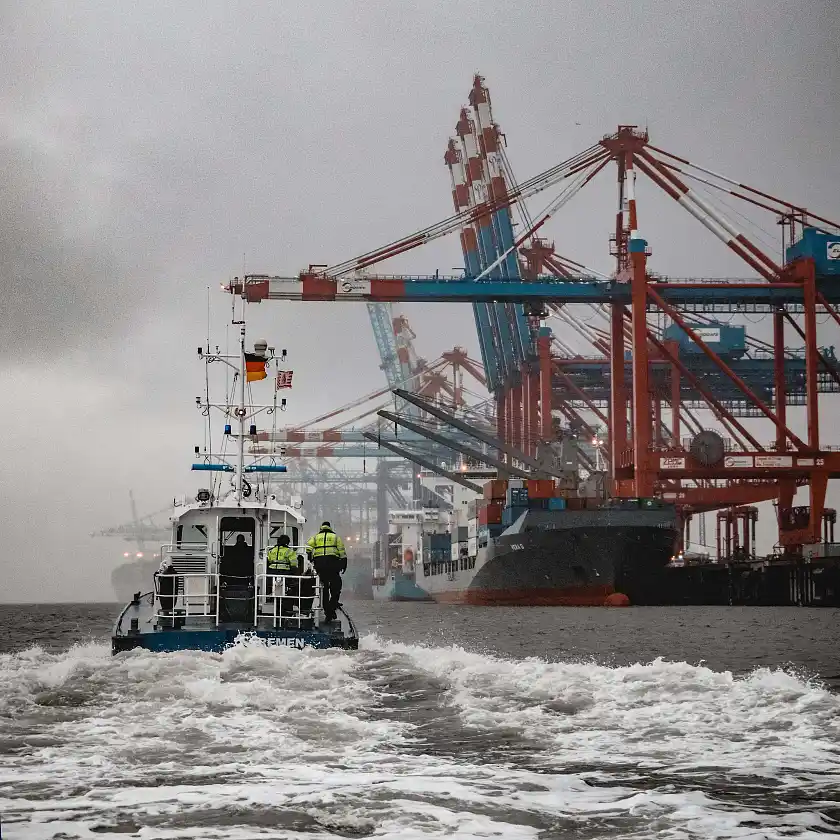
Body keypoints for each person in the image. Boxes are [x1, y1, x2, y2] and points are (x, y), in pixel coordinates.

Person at [305, 521, 346, 622]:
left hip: (320, 565)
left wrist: (310, 557)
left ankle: (327, 610)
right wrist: (344, 563)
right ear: (330, 527)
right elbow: (342, 551)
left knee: (324, 588)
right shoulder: (335, 537)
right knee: (336, 585)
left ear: (321, 527)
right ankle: (332, 605)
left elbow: (308, 548)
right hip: (332, 565)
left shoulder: (315, 537)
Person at [266, 534, 301, 615]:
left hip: (272, 573)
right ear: (287, 542)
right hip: (285, 573)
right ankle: (286, 612)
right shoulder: (289, 551)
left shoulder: (271, 550)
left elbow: (269, 560)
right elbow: (294, 564)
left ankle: (277, 612)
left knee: (276, 592)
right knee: (287, 592)